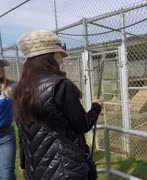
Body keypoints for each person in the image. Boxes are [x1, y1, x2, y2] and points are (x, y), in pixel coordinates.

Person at [14, 30, 103, 180]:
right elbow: (83, 124)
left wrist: (23, 164)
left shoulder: (20, 89)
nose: (61, 60)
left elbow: (23, 134)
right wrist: (96, 106)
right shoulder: (60, 85)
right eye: (59, 54)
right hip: (65, 169)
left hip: (35, 170)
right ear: (49, 56)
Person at [0, 59, 16, 180]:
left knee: (6, 175)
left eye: (1, 65)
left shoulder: (12, 87)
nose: (0, 68)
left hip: (5, 136)